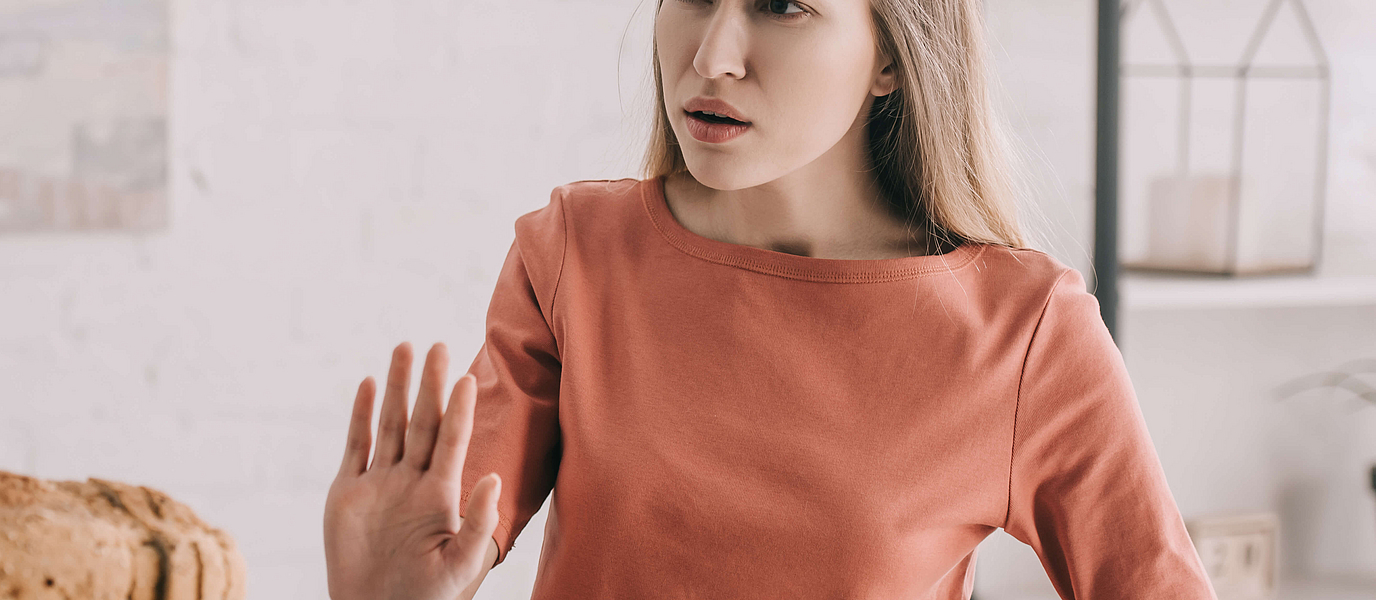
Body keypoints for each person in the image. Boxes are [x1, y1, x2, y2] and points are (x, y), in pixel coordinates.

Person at [323, 0, 1220, 598]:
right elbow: (440, 543)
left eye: (782, 2)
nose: (712, 54)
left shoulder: (1024, 333)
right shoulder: (573, 256)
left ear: (893, 58)